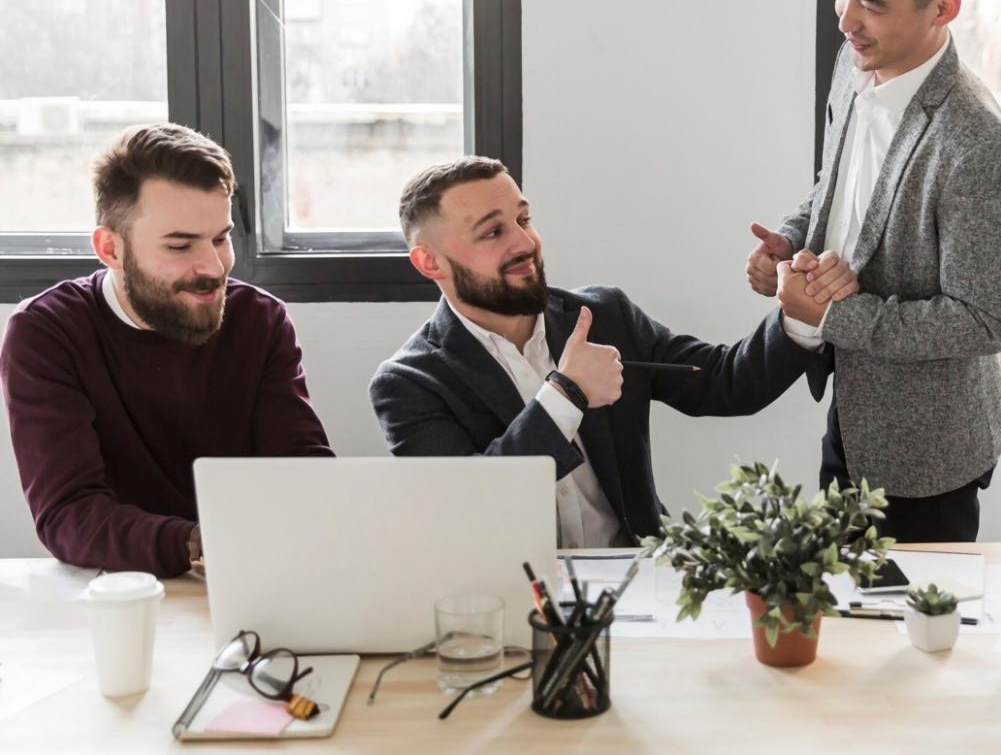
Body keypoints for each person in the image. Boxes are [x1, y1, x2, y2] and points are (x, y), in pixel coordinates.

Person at [745, 0, 1001, 542]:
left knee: (911, 610)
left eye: (871, 4)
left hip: (927, 452)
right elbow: (838, 188)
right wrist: (790, 240)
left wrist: (832, 315)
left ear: (944, 7)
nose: (847, 20)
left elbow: (985, 319)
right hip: (852, 411)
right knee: (838, 595)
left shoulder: (981, 145)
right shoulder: (855, 62)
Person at [369, 157, 836, 548]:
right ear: (429, 262)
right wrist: (566, 395)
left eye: (524, 220)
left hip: (640, 578)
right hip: (513, 596)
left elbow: (725, 382)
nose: (525, 243)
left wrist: (799, 315)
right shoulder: (408, 383)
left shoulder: (604, 315)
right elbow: (471, 507)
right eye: (492, 232)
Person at [0, 124, 333, 577]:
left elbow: (302, 473)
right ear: (111, 249)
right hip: (118, 587)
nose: (213, 267)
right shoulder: (48, 332)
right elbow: (68, 514)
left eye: (221, 238)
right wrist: (199, 542)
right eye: (180, 245)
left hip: (254, 571)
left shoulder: (260, 320)